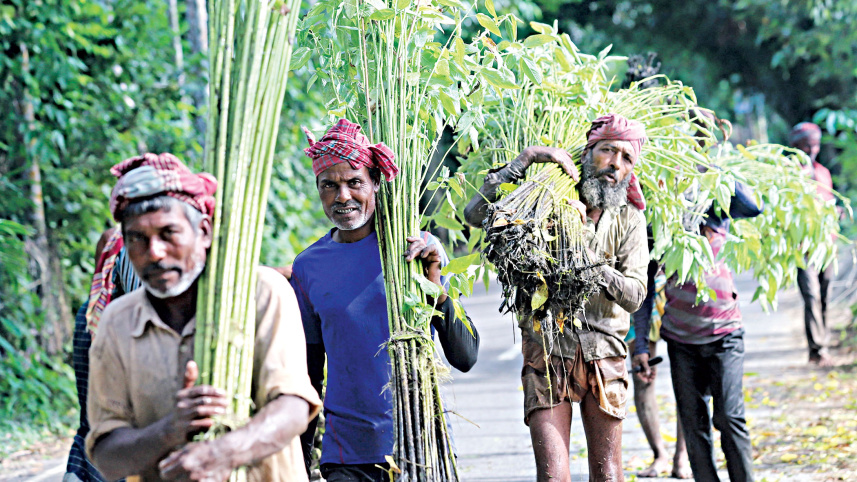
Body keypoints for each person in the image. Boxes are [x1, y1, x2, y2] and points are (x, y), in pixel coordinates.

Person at [86, 153, 322, 481]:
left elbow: (294, 407)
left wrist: (219, 454)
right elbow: (107, 456)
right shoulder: (116, 322)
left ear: (204, 232)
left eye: (168, 233)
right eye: (138, 239)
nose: (154, 252)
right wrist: (169, 430)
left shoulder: (261, 292)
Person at [290, 119, 480, 481]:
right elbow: (310, 373)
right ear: (318, 190)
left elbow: (466, 356)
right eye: (329, 185)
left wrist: (435, 286)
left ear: (376, 183)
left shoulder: (412, 252)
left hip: (420, 447)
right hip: (346, 455)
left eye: (354, 182)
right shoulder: (308, 266)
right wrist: (299, 463)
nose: (342, 196)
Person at [465, 113, 649, 482]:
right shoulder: (545, 195)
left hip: (605, 353)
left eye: (626, 158)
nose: (615, 163)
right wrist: (525, 160)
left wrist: (583, 252)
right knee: (552, 476)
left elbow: (635, 295)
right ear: (587, 151)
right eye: (607, 150)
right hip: (547, 349)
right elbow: (475, 213)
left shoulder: (630, 219)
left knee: (608, 474)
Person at [635, 179, 763, 482]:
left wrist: (715, 174)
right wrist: (640, 345)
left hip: (726, 335)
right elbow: (645, 291)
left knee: (729, 418)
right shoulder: (658, 226)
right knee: (693, 424)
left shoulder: (715, 206)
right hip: (681, 340)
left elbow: (754, 207)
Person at [65, 227, 140, 482]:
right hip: (118, 330)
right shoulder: (160, 242)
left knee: (90, 418)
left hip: (90, 321)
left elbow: (98, 293)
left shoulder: (112, 237)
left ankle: (77, 473)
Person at [628, 245, 691, 479]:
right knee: (642, 376)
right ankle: (660, 455)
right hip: (640, 277)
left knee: (687, 378)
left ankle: (681, 456)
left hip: (676, 278)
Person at [789, 122, 836, 367]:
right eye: (808, 144)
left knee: (825, 295)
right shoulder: (789, 174)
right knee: (812, 296)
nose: (813, 149)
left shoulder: (824, 173)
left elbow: (828, 202)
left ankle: (823, 343)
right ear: (796, 146)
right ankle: (816, 349)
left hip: (826, 245)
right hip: (802, 247)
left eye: (816, 144)